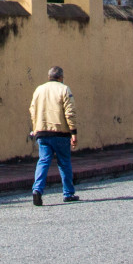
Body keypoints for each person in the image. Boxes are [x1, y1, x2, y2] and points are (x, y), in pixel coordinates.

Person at [29, 65, 79, 205]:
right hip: (60, 132)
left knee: (43, 161)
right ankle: (68, 193)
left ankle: (37, 190)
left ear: (49, 76)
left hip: (42, 132)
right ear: (61, 77)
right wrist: (73, 132)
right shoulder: (64, 89)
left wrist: (36, 128)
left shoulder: (39, 89)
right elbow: (70, 112)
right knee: (64, 162)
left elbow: (32, 110)